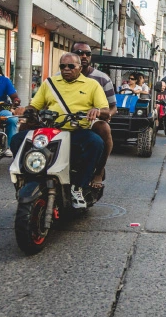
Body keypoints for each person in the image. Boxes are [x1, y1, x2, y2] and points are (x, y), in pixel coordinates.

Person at [11, 53, 109, 208]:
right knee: (17, 140)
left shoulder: (92, 85)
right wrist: (25, 109)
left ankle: (79, 187)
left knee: (95, 143)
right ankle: (26, 178)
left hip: (76, 131)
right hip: (51, 130)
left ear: (80, 68)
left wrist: (97, 111)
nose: (66, 69)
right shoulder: (50, 83)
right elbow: (35, 106)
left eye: (71, 66)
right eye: (63, 66)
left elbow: (105, 110)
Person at [74, 42, 117, 188]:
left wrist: (104, 114)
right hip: (64, 118)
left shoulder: (102, 78)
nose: (84, 56)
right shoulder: (58, 78)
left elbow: (113, 107)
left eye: (87, 53)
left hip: (91, 119)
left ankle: (99, 170)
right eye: (79, 53)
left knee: (104, 128)